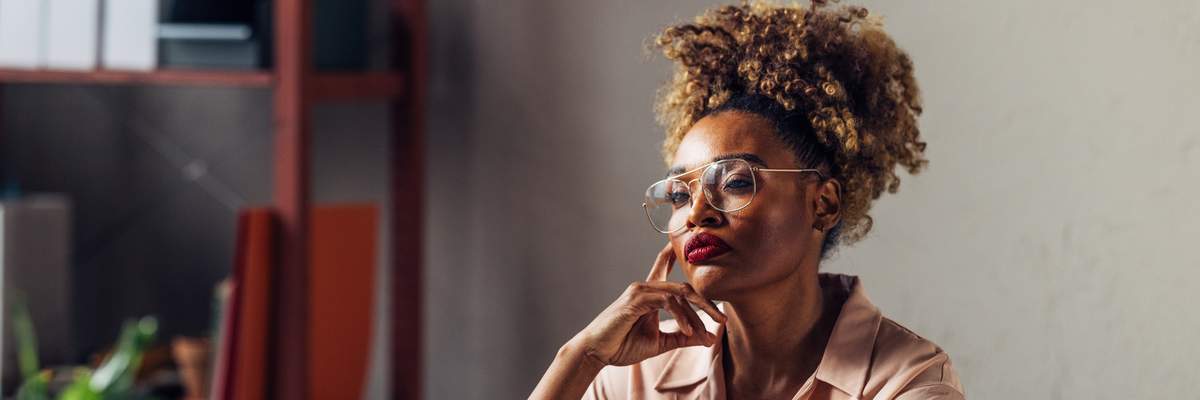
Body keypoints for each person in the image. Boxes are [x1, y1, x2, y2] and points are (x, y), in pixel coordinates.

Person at [532, 1, 963, 398]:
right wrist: (582, 356)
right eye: (680, 194)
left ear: (823, 204)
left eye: (735, 182)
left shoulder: (908, 379)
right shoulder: (632, 375)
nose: (697, 213)